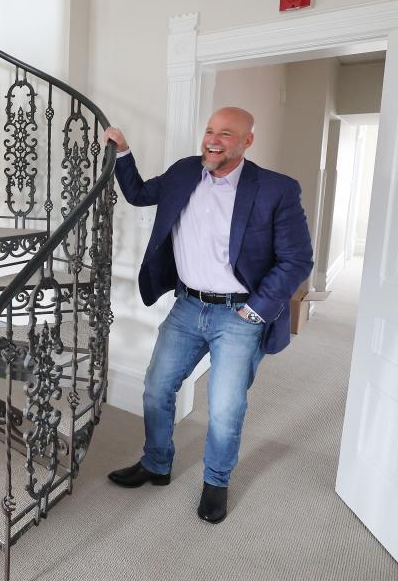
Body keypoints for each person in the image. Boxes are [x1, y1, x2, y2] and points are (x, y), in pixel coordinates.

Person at [104, 107, 312, 523]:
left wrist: (256, 312)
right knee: (156, 388)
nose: (214, 140)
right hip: (187, 306)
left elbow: (297, 259)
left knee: (224, 407)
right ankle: (156, 463)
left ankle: (216, 481)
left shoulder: (276, 189)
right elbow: (140, 193)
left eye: (227, 134)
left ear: (248, 141)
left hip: (239, 315)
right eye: (210, 131)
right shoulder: (184, 172)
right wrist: (123, 151)